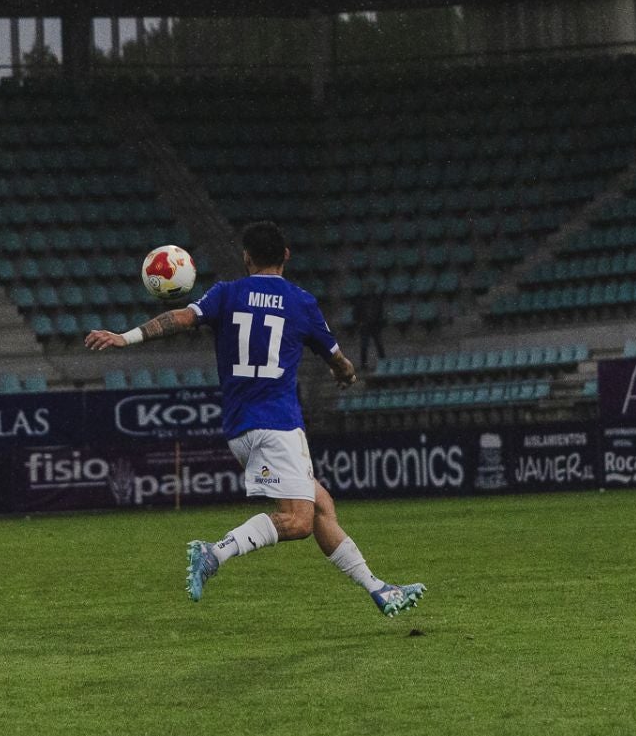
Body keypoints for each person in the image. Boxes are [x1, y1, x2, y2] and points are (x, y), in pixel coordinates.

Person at [85, 221, 425, 617]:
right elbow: (337, 357)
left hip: (239, 428)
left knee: (319, 507)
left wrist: (125, 337)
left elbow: (179, 319)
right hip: (278, 423)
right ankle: (215, 552)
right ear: (286, 255)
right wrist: (345, 372)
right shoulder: (301, 302)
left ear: (246, 259)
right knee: (297, 521)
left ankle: (380, 590)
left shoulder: (226, 294)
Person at [355, 288, 387, 371]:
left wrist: (379, 323)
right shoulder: (361, 301)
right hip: (365, 326)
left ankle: (384, 364)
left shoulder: (377, 300)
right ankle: (364, 365)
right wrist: (360, 322)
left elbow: (381, 312)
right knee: (364, 346)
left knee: (379, 345)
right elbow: (356, 313)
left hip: (375, 326)